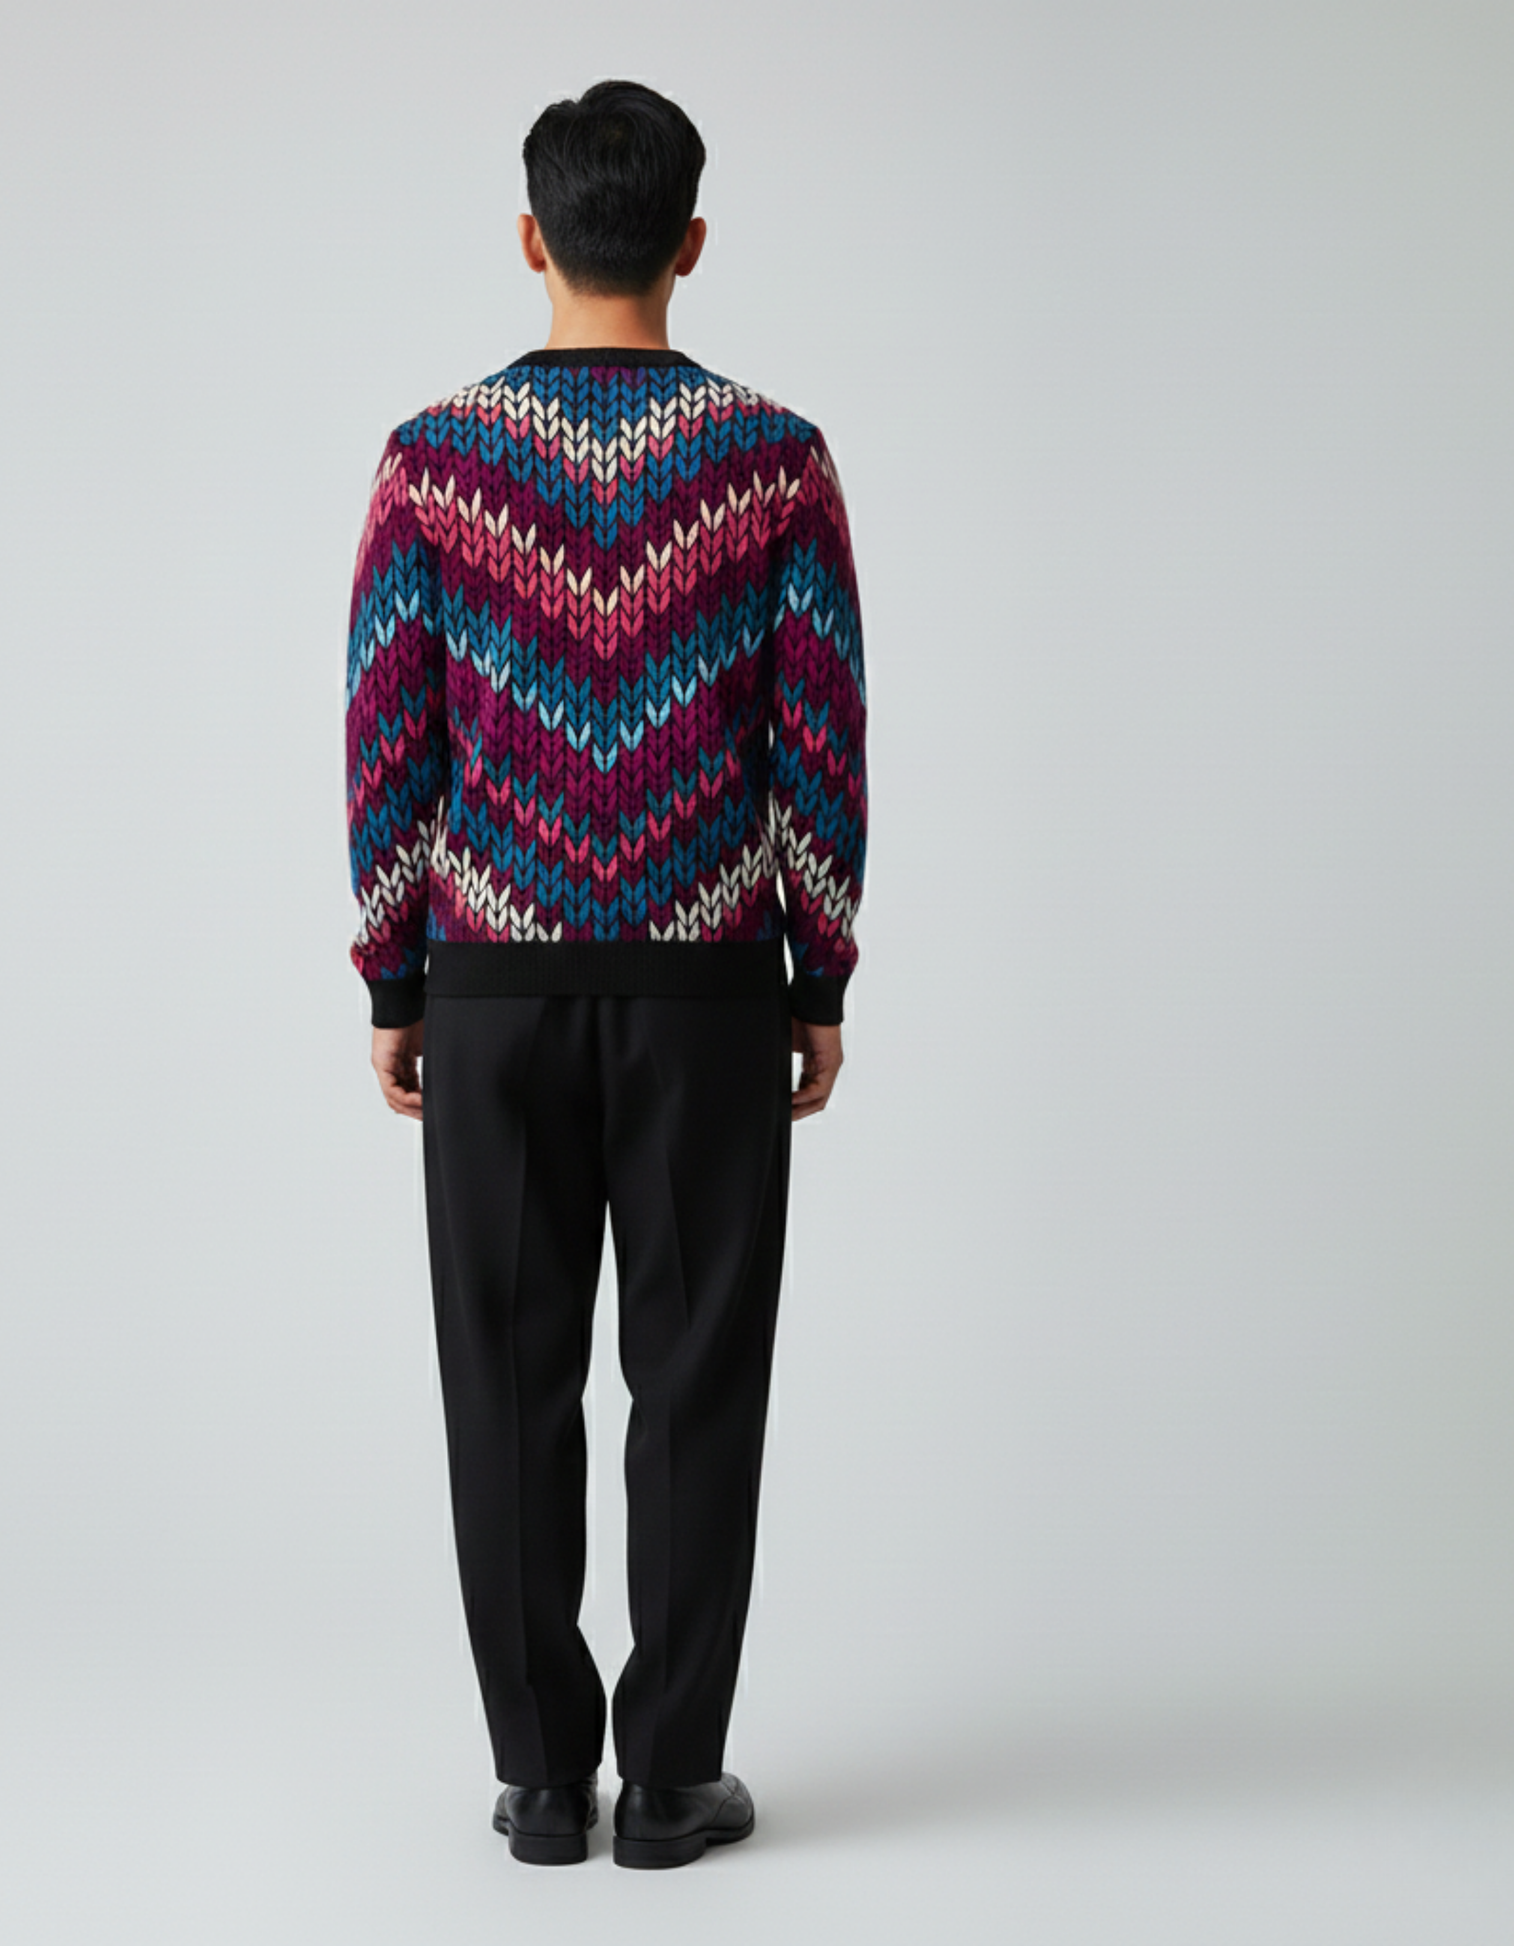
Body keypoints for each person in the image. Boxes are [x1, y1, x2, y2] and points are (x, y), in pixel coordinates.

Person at [341, 78, 868, 1869]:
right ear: (689, 244)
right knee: (695, 1378)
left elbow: (383, 740)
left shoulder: (431, 461)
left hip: (490, 982)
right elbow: (820, 742)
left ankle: (538, 1779)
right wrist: (818, 974)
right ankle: (670, 1780)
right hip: (707, 980)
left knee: (504, 1383)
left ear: (530, 238)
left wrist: (394, 979)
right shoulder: (775, 461)